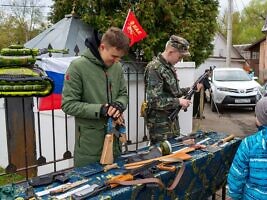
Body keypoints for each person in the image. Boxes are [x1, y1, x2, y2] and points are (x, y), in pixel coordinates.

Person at [61, 27, 130, 167]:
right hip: (89, 147)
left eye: (119, 58)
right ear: (102, 47)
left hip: (115, 143)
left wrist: (119, 104)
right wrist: (101, 109)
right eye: (114, 56)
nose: (117, 61)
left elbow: (123, 94)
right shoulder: (77, 67)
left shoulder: (117, 67)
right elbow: (68, 104)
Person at [144, 35, 203, 144]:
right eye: (179, 57)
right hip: (160, 127)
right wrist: (179, 101)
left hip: (171, 122)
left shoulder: (168, 67)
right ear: (171, 51)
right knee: (161, 157)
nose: (180, 60)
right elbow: (154, 101)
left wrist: (191, 89)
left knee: (175, 153)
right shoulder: (155, 68)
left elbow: (174, 92)